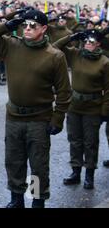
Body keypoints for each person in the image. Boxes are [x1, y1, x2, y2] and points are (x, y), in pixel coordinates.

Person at [0, 9, 72, 208]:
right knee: (14, 161)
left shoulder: (54, 56)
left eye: (33, 26)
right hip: (14, 117)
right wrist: (10, 24)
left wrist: (58, 119)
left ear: (44, 29)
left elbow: (64, 92)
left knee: (38, 165)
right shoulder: (12, 45)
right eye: (25, 25)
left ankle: (37, 200)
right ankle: (17, 199)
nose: (28, 29)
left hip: (39, 120)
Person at [53, 29, 109, 189]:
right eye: (85, 41)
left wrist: (105, 111)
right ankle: (75, 172)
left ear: (98, 43)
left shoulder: (104, 62)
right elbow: (55, 47)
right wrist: (72, 37)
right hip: (75, 106)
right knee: (75, 140)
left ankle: (89, 174)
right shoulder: (76, 54)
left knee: (90, 142)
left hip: (93, 108)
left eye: (91, 41)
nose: (87, 44)